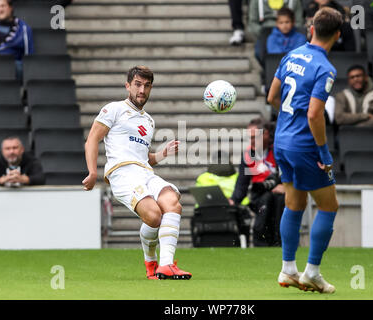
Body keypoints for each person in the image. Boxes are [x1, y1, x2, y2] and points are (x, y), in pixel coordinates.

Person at [82, 66, 192, 280]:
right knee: (154, 216)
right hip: (122, 174)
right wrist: (93, 171)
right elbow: (92, 139)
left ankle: (166, 265)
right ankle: (151, 262)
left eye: (147, 85)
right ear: (128, 86)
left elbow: (142, 157)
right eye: (138, 85)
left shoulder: (149, 121)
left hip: (145, 172)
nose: (142, 90)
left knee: (173, 203)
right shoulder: (113, 109)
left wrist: (162, 154)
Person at [267, 7, 343, 293]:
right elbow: (314, 114)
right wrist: (323, 152)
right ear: (337, 34)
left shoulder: (292, 54)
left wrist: (289, 120)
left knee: (294, 203)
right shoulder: (325, 68)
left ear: (311, 28)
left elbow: (272, 97)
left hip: (282, 141)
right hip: (304, 146)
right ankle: (311, 271)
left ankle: (288, 269)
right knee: (328, 205)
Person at [230, 117, 285, 247]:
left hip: (279, 196)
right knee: (266, 199)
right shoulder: (249, 154)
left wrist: (287, 186)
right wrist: (234, 200)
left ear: (266, 133)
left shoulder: (279, 150)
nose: (252, 141)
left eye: (255, 137)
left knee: (278, 199)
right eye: (250, 137)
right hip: (259, 197)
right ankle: (260, 243)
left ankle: (281, 243)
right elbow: (242, 183)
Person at [195, 150, 251, 245]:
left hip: (207, 215)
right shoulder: (238, 178)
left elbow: (199, 198)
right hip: (233, 216)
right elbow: (244, 201)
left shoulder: (203, 177)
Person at [0, 0, 34, 81]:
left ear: (10, 8)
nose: (0, 9)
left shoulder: (23, 28)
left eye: (3, 6)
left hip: (12, 65)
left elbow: (28, 55)